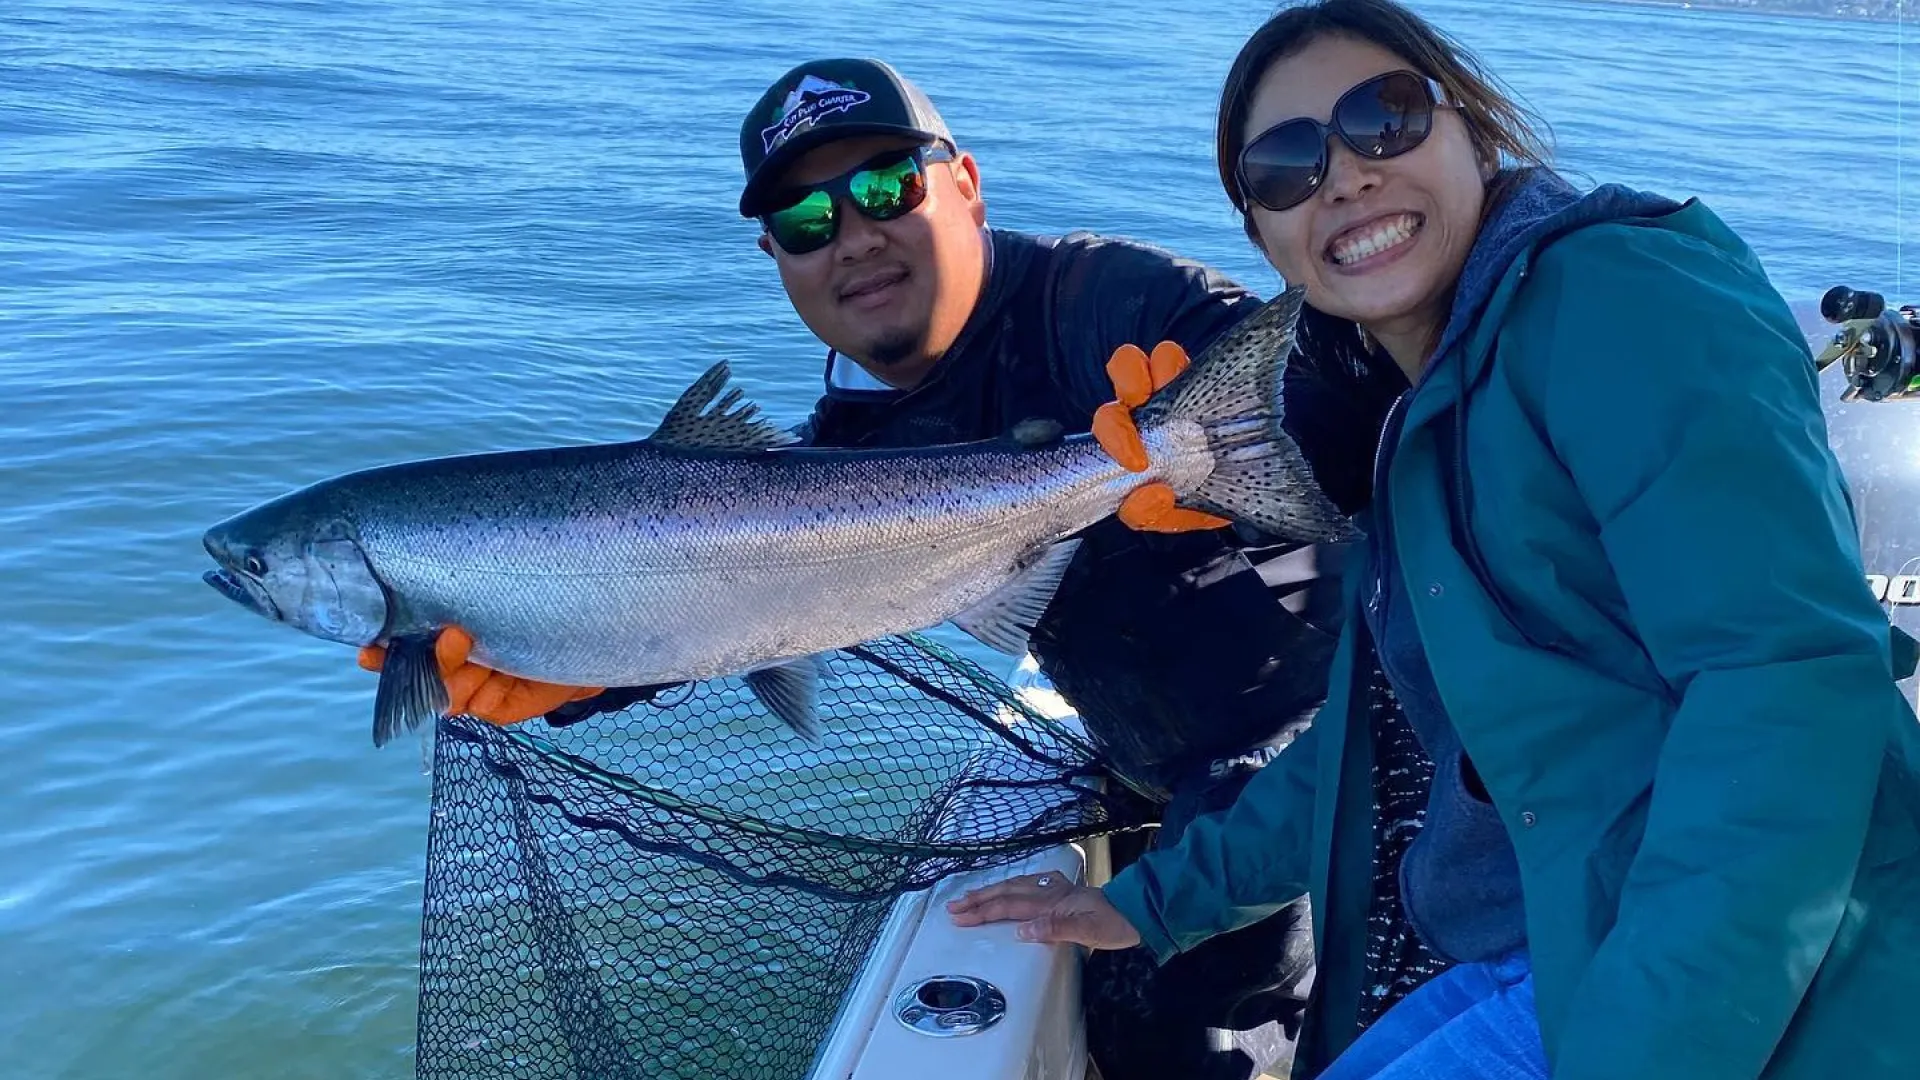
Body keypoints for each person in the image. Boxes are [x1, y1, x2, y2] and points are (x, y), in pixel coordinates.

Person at [361, 56, 1388, 1080]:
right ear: (774, 254)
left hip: (1329, 728)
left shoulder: (1106, 300)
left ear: (966, 184)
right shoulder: (839, 449)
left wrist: (1261, 435)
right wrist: (584, 669)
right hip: (1143, 760)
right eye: (807, 222)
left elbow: (1330, 389)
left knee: (1207, 1036)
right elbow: (742, 587)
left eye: (886, 187)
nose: (854, 236)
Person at [946, 2, 1920, 1078]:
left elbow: (1780, 681)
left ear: (1478, 134)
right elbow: (1369, 735)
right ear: (1265, 237)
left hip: (1779, 981)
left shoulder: (1618, 298)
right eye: (1285, 166)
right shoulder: (1427, 413)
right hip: (1568, 930)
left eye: (1386, 118)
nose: (1346, 176)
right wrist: (1146, 907)